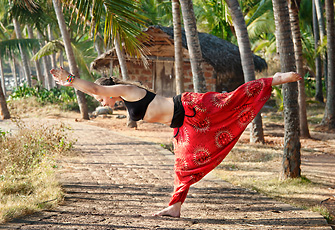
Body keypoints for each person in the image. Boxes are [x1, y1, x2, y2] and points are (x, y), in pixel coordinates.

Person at [50, 67, 301, 218]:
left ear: (110, 91)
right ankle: (175, 207)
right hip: (182, 125)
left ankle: (273, 80)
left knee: (229, 101)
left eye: (102, 98)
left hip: (189, 106)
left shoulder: (126, 89)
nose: (101, 102)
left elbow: (95, 89)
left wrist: (70, 80)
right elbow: (100, 94)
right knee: (184, 167)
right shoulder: (125, 100)